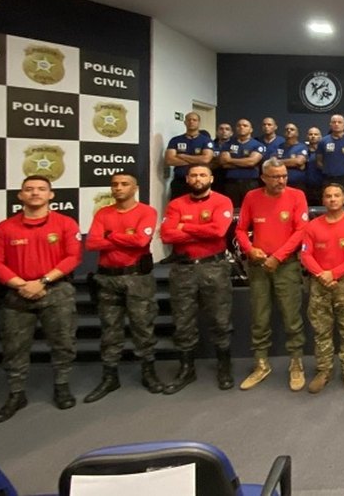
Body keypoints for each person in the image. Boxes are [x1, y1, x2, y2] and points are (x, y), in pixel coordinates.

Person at [0, 175, 82, 423]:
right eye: (29, 189)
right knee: (14, 347)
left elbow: (72, 257)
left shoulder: (65, 224)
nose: (35, 193)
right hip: (17, 294)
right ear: (20, 195)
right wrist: (21, 284)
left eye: (41, 189)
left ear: (51, 195)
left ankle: (62, 386)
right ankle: (16, 394)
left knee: (63, 342)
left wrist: (43, 282)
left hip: (56, 290)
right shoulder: (5, 228)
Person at [83, 172, 163, 403]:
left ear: (134, 188)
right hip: (107, 278)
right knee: (110, 329)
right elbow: (92, 243)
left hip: (137, 277)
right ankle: (110, 377)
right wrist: (122, 237)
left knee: (143, 326)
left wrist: (110, 236)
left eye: (124, 184)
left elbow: (141, 241)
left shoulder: (146, 212)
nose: (118, 188)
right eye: (115, 184)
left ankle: (149, 373)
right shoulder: (103, 213)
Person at [159, 164, 235, 393]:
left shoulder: (222, 201)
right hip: (183, 270)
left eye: (203, 174)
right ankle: (186, 369)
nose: (198, 178)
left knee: (220, 320)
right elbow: (166, 234)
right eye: (194, 175)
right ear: (188, 178)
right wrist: (200, 227)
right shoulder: (176, 204)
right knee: (183, 322)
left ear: (211, 178)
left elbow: (218, 231)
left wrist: (184, 226)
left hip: (214, 267)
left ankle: (224, 366)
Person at [235, 158, 309, 392]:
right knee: (259, 316)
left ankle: (296, 363)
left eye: (284, 176)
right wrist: (249, 249)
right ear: (263, 177)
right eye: (275, 176)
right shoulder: (251, 197)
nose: (281, 180)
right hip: (258, 265)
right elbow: (240, 229)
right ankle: (261, 364)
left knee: (292, 317)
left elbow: (301, 231)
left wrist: (278, 256)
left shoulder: (297, 196)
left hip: (285, 265)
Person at [300, 184, 344, 393]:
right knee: (321, 331)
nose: (332, 199)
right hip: (319, 284)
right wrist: (322, 274)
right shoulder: (312, 226)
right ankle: (323, 370)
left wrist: (335, 273)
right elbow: (305, 254)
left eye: (336, 195)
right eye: (328, 196)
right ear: (323, 200)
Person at [164, 111, 215, 200]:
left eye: (194, 120)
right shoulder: (175, 140)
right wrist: (197, 160)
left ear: (199, 122)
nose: (191, 122)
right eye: (189, 120)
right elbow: (169, 160)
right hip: (180, 181)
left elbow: (206, 159)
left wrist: (183, 156)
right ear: (185, 122)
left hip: (199, 182)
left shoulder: (206, 141)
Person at [218, 118, 265, 208]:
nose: (241, 127)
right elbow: (223, 162)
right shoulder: (228, 144)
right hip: (231, 183)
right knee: (232, 209)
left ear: (251, 129)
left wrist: (231, 160)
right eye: (239, 125)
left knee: (251, 208)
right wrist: (244, 162)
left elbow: (251, 162)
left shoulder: (258, 145)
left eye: (245, 126)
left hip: (250, 183)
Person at [317, 114, 344, 205]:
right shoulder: (323, 141)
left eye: (339, 122)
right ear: (330, 125)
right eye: (334, 122)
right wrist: (329, 170)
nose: (336, 124)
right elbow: (319, 161)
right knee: (329, 203)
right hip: (329, 178)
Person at [276, 123, 309, 193]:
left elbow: (299, 161)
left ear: (297, 133)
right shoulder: (279, 147)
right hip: (280, 183)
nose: (289, 130)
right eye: (287, 129)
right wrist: (292, 162)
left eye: (292, 129)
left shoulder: (302, 147)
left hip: (298, 184)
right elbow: (273, 162)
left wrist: (279, 161)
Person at [304, 126, 325, 207]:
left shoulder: (324, 152)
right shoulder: (303, 151)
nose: (313, 136)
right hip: (307, 186)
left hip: (321, 186)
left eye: (316, 134)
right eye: (311, 134)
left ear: (320, 137)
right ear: (307, 137)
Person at [212, 122, 233, 195]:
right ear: (217, 132)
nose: (224, 131)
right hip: (213, 178)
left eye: (227, 129)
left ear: (231, 133)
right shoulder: (210, 145)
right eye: (221, 129)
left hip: (230, 179)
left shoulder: (235, 145)